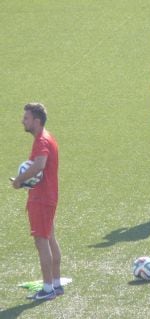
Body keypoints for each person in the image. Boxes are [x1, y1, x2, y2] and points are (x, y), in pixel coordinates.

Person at [12, 103, 63, 300]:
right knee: (50, 238)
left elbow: (39, 165)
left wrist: (19, 180)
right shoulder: (47, 137)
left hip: (41, 199)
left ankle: (48, 288)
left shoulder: (42, 140)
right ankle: (56, 284)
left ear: (37, 121)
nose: (23, 121)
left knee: (41, 242)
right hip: (48, 196)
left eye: (26, 118)